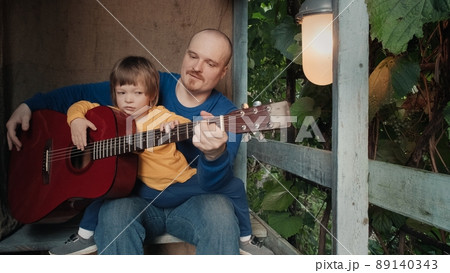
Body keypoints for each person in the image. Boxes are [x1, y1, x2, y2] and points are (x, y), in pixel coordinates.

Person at [6, 29, 273, 255]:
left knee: (221, 213)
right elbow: (80, 95)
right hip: (134, 199)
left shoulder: (228, 117)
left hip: (194, 202)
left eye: (210, 63)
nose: (196, 67)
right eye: (193, 56)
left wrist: (214, 155)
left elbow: (216, 183)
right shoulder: (146, 85)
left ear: (224, 71)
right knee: (113, 212)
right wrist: (30, 105)